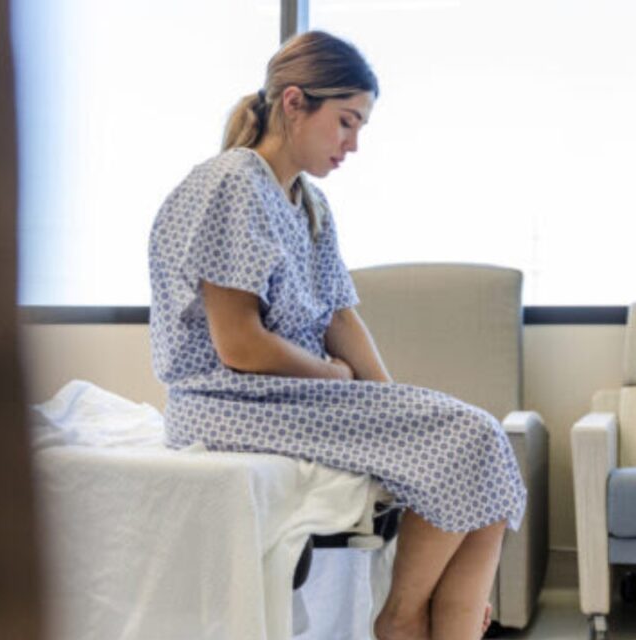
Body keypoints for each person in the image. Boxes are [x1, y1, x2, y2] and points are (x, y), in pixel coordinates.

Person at [147, 31, 527, 640]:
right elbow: (238, 346)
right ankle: (400, 620)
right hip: (226, 402)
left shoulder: (308, 203)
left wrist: (391, 403)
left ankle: (451, 621)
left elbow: (340, 317)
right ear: (295, 103)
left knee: (485, 459)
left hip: (288, 395)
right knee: (473, 435)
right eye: (347, 122)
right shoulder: (231, 183)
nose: (354, 144)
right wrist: (335, 378)